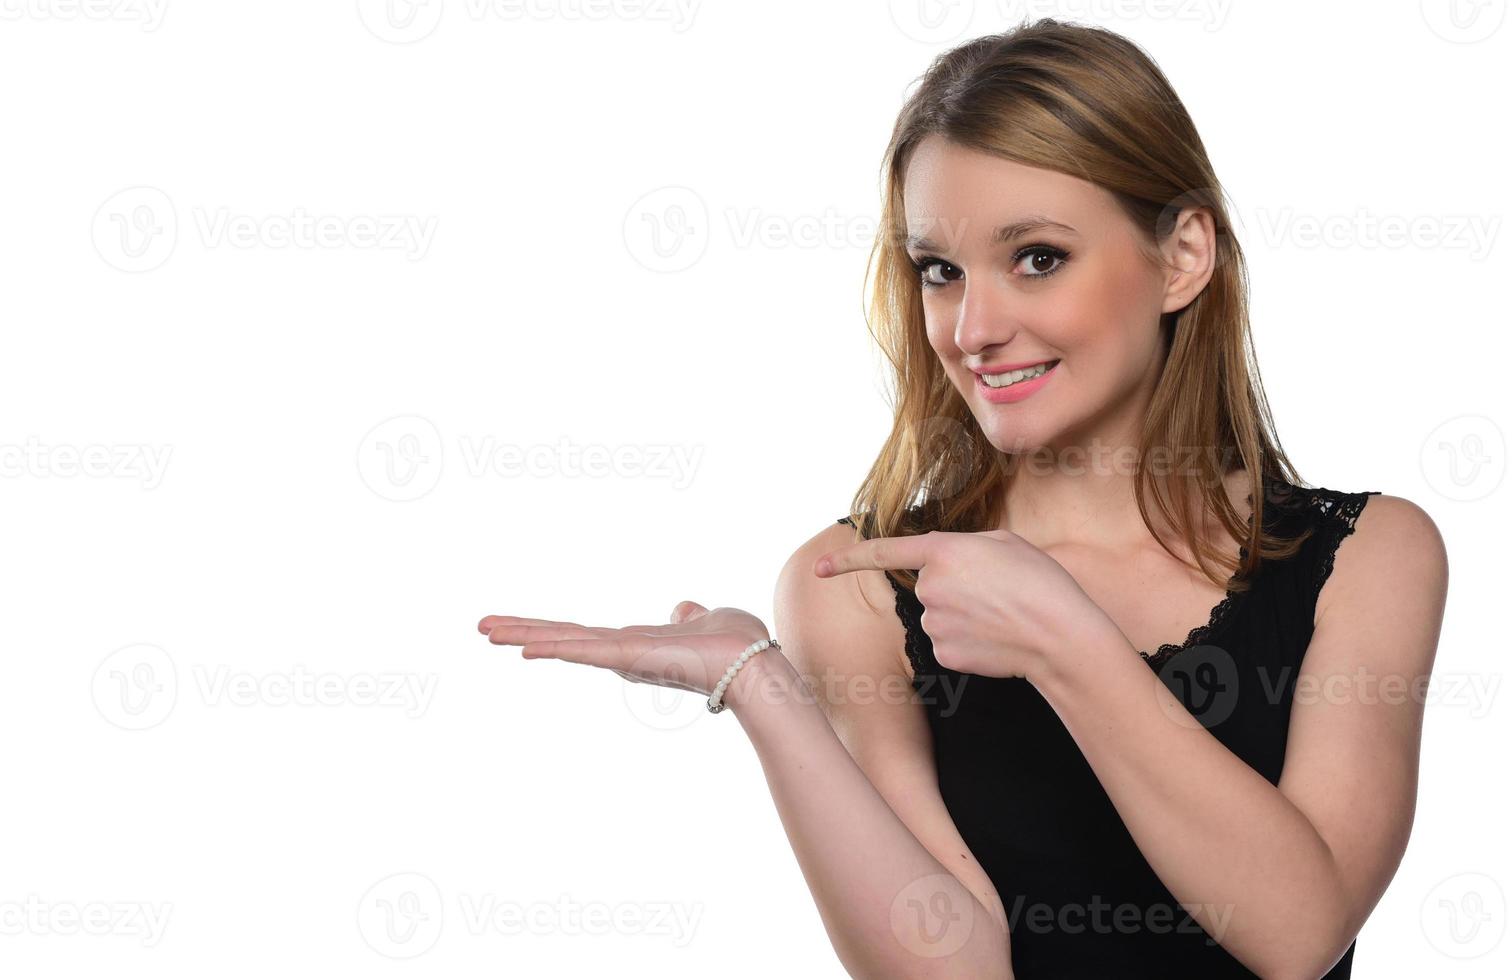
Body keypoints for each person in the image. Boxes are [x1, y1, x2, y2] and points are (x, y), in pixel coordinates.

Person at [478, 18, 1448, 978]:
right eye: (941, 270)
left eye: (1037, 256)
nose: (972, 328)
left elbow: (1299, 931)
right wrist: (763, 687)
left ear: (1182, 256)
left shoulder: (1369, 555)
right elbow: (957, 967)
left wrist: (1062, 636)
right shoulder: (858, 586)